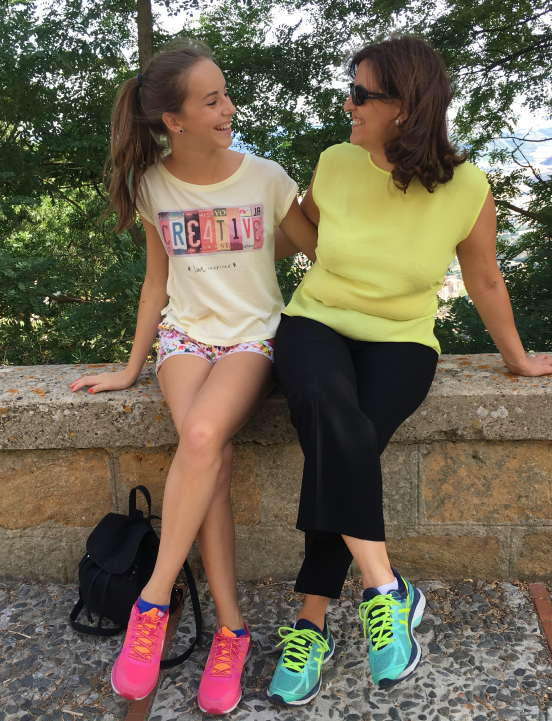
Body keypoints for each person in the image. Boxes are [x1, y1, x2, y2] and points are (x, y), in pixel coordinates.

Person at [267, 35, 552, 706]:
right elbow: (297, 231)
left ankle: (314, 625)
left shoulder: (468, 187)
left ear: (408, 106)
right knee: (334, 414)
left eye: (363, 94)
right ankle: (384, 588)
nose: (349, 103)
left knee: (346, 437)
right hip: (316, 323)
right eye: (352, 88)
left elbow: (483, 277)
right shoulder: (336, 161)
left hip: (402, 341)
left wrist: (517, 357)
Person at [69, 39, 317, 715]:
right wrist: (130, 365)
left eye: (226, 94)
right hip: (183, 340)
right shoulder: (152, 185)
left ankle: (152, 598)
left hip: (250, 339)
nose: (228, 108)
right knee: (209, 451)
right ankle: (232, 630)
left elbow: (311, 246)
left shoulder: (265, 177)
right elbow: (156, 281)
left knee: (202, 432)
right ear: (173, 120)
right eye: (211, 100)